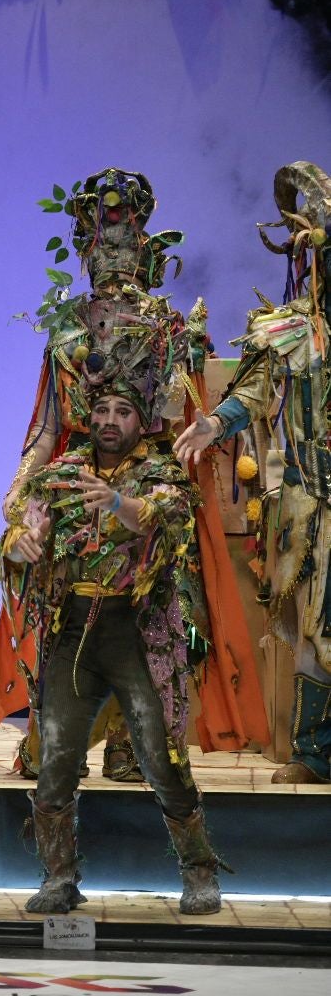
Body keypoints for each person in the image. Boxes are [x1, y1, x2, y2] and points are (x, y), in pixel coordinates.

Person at [0, 168, 266, 780]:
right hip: (76, 479)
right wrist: (21, 489)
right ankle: (59, 737)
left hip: (148, 483)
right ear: (86, 251)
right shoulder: (66, 334)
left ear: (146, 253)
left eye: (124, 242)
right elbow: (46, 426)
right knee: (61, 606)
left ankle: (132, 738)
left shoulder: (170, 330)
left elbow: (181, 417)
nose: (112, 254)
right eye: (101, 244)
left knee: (156, 614)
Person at [7, 378, 224, 915]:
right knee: (55, 758)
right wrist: (23, 544)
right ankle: (59, 877)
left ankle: (200, 872)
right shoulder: (60, 476)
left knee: (162, 758)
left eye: (122, 410)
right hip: (74, 630)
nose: (109, 419)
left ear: (141, 418)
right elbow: (21, 537)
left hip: (138, 630)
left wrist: (119, 502)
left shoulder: (163, 474)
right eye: (101, 408)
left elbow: (166, 522)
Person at [177, 160, 331, 784]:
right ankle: (317, 752)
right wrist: (216, 423)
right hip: (310, 497)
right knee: (312, 624)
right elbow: (259, 386)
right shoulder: (297, 332)